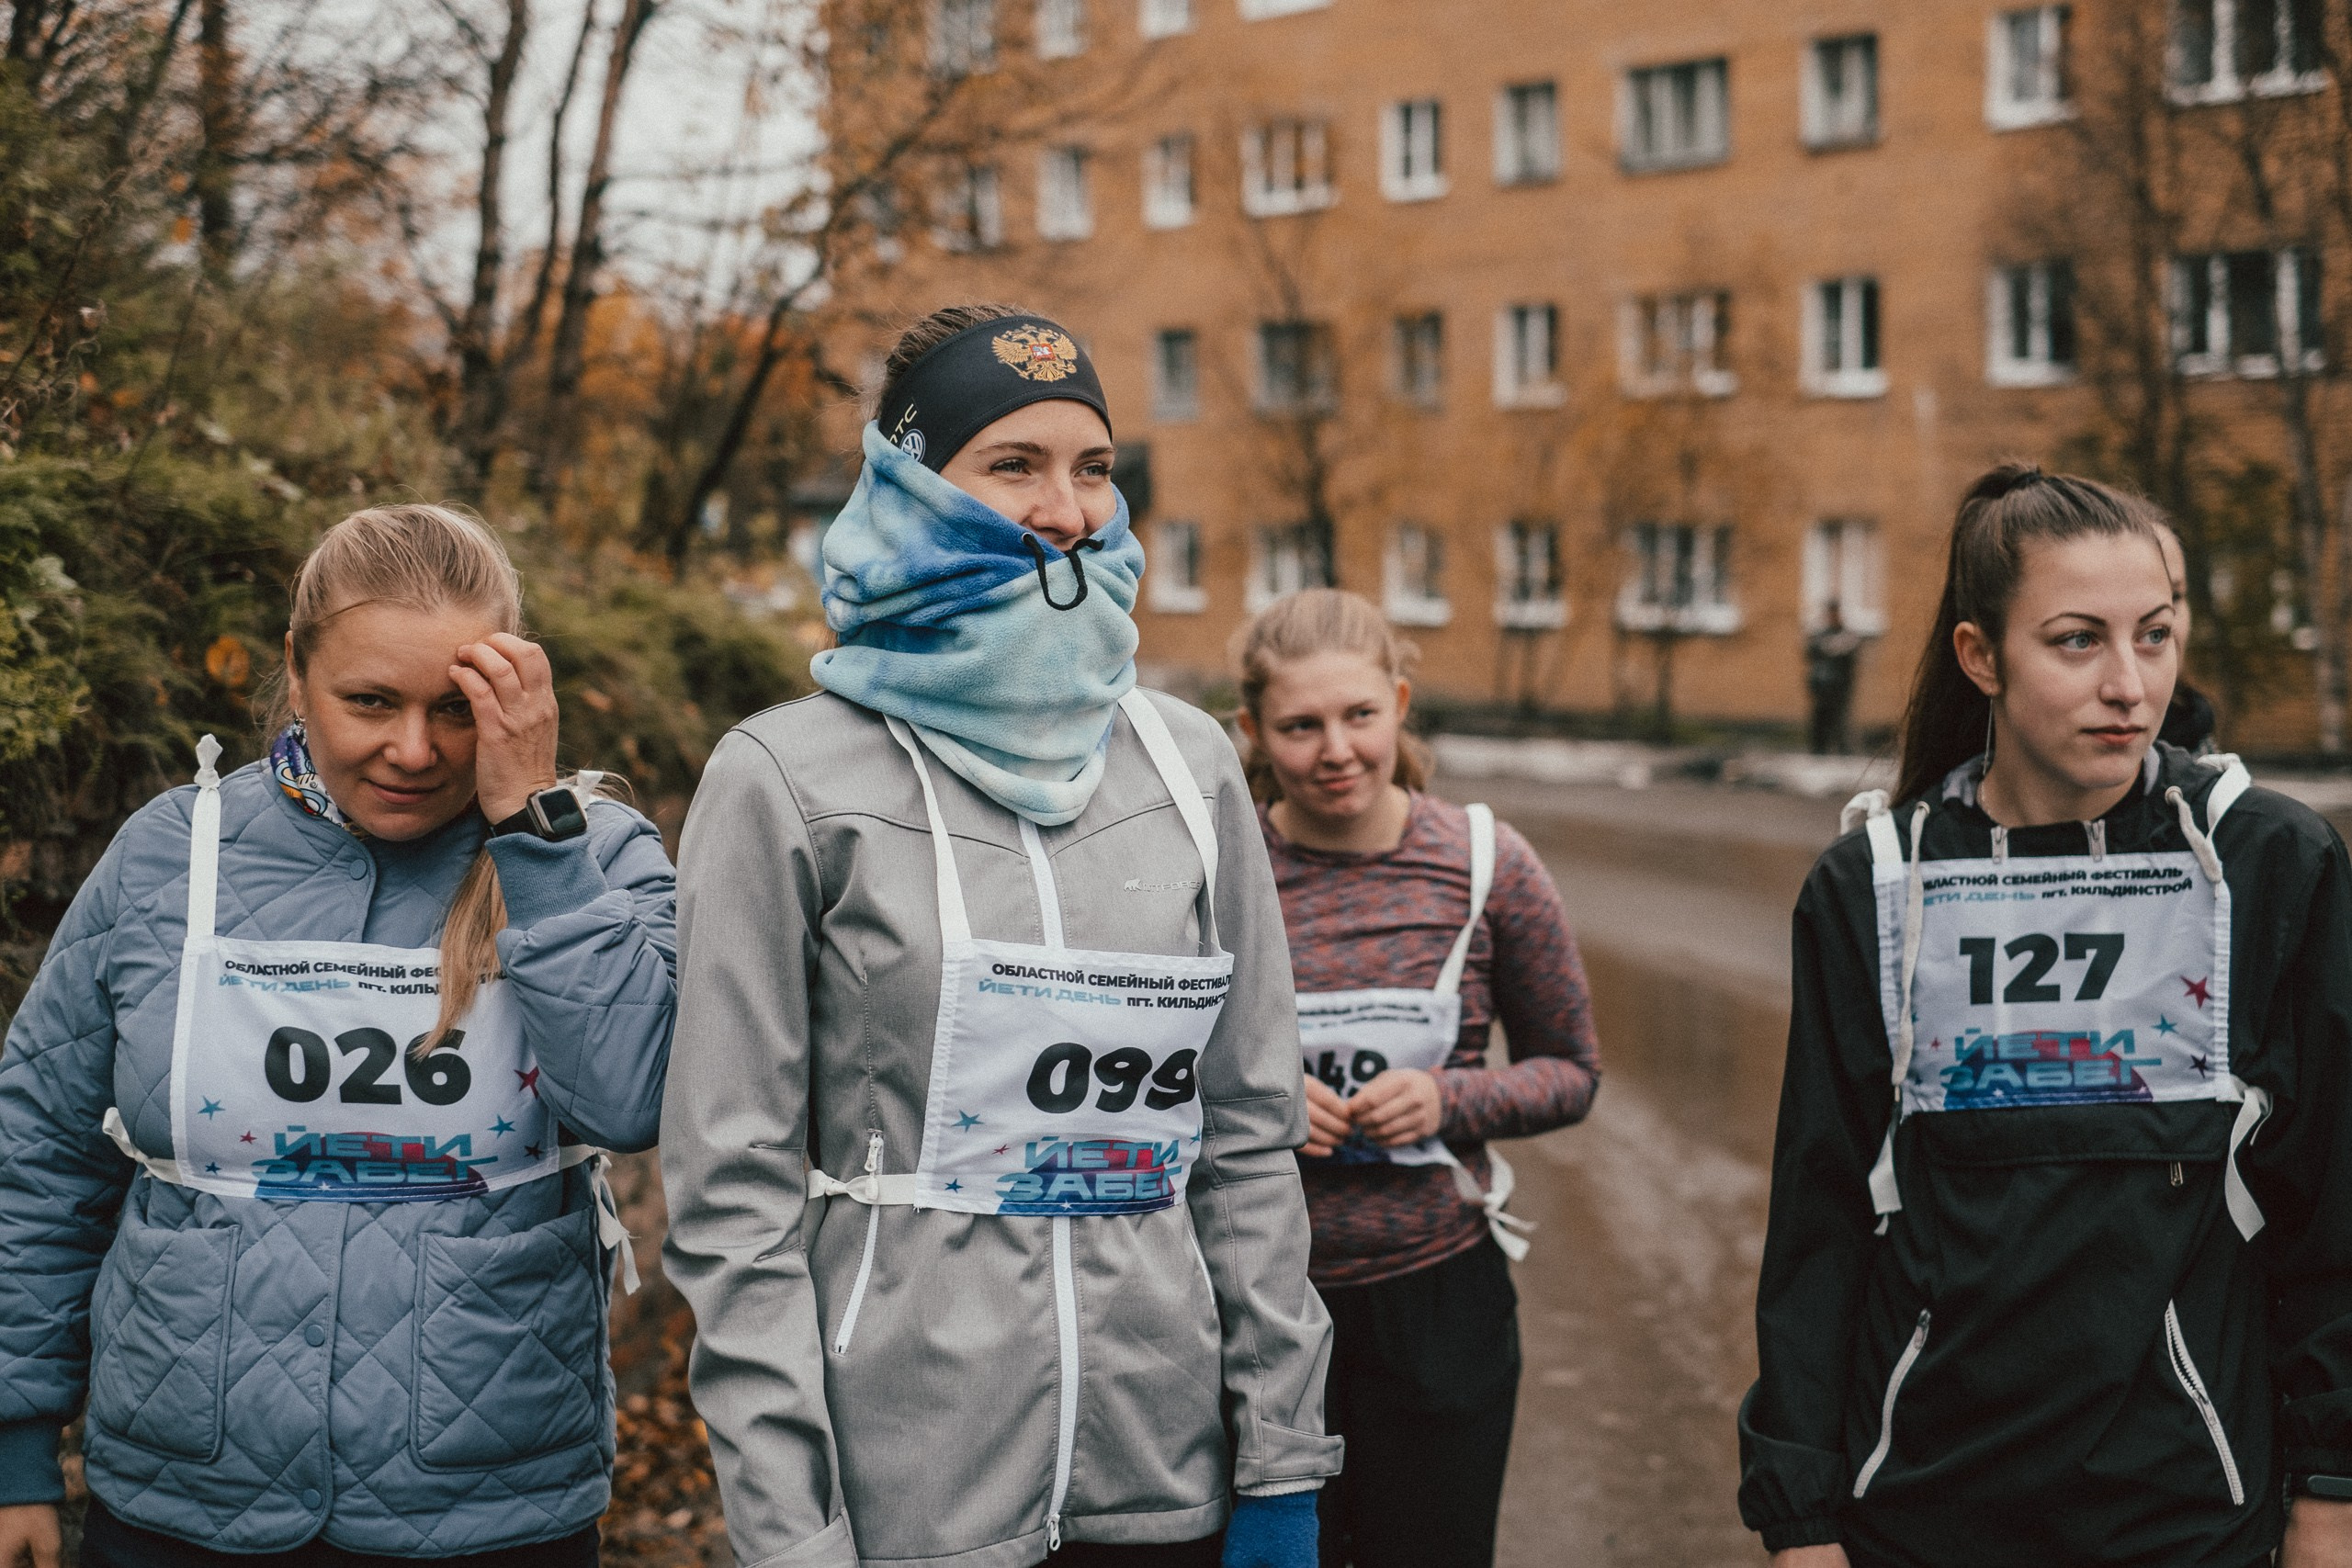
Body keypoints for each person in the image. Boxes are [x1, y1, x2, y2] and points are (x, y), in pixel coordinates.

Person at [661, 303, 1340, 1568]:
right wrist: (790, 1529)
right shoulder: (783, 778)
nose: (1068, 510)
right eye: (1014, 464)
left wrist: (1283, 1459)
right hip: (911, 1494)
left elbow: (1247, 1139)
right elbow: (729, 1198)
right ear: (912, 482)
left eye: (1094, 467)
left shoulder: (1191, 763)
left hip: (1164, 1476)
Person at [0, 504, 677, 1568]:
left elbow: (630, 1100)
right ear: (296, 670)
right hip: (186, 1495)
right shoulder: (171, 855)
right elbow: (41, 1152)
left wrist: (533, 834)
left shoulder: (596, 858)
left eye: (455, 708)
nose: (413, 750)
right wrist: (15, 1448)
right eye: (370, 701)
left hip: (486, 1500)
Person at [1737, 465, 2352, 1567]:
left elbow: (2332, 1203)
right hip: (1919, 1512)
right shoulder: (1872, 885)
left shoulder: (2268, 863)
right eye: (2077, 641)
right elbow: (1819, 1216)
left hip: (2182, 1511)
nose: (2130, 684)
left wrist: (2332, 1493)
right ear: (1981, 656)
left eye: (2154, 636)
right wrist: (1798, 1517)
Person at [1230, 590, 1599, 1568]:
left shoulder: (1486, 863)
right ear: (1252, 731)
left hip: (1439, 1306)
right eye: (1300, 726)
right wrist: (1256, 1105)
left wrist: (1449, 1098)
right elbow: (1154, 1075)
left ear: (1398, 703)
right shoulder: (1220, 871)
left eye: (1359, 715)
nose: (1335, 750)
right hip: (1257, 1307)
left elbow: (1572, 1072)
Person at [1807, 602, 1863, 757]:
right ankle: (1819, 750)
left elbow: (1850, 657)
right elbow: (1812, 653)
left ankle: (1843, 750)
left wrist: (1832, 648)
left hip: (1840, 686)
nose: (1832, 617)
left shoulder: (1846, 635)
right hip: (1822, 686)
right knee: (1821, 719)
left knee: (1840, 719)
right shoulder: (1821, 635)